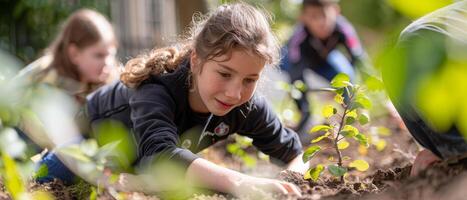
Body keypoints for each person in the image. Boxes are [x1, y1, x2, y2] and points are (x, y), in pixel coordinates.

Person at [85, 3, 308, 197]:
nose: (234, 93)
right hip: (82, 138)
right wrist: (243, 182)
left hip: (137, 166)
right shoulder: (156, 90)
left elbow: (295, 153)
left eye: (250, 80)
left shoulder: (244, 106)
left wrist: (286, 183)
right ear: (196, 60)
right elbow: (160, 155)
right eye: (224, 74)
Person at [14, 9, 119, 184]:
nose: (107, 62)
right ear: (74, 54)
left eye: (111, 54)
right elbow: (49, 134)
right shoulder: (47, 78)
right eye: (99, 55)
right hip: (24, 136)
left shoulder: (102, 76)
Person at [380, 1, 467, 176]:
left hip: (400, 57)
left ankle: (441, 154)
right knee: (461, 159)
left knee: (453, 153)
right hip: (439, 56)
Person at [281, 0, 366, 136]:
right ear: (303, 18)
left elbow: (358, 58)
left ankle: (348, 116)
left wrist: (353, 97)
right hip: (298, 62)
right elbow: (295, 72)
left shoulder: (343, 28)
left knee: (346, 74)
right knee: (288, 71)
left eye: (325, 15)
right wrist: (304, 109)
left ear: (336, 11)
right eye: (314, 17)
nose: (321, 22)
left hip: (326, 59)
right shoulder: (299, 37)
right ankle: (305, 118)